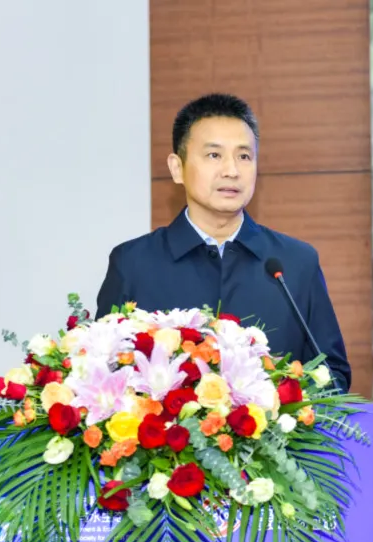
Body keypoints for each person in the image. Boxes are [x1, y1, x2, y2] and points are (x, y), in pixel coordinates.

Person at [95, 93, 351, 392]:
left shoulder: (295, 263)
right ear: (177, 168)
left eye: (244, 156)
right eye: (214, 155)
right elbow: (101, 373)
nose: (232, 170)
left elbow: (332, 376)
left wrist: (278, 403)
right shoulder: (133, 263)